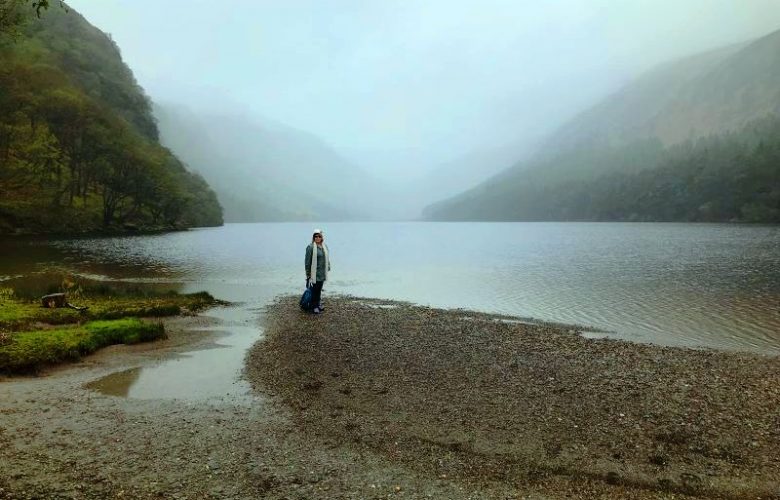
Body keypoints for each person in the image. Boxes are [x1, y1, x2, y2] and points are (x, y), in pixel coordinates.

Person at [305, 228, 330, 314]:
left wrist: (328, 267)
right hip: (314, 274)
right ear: (313, 237)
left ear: (322, 237)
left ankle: (318, 304)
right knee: (314, 290)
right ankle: (314, 306)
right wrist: (308, 274)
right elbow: (307, 262)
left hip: (322, 273)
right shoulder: (310, 247)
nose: (317, 238)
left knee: (319, 289)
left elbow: (327, 258)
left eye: (319, 236)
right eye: (316, 236)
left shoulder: (324, 247)